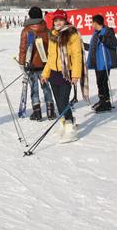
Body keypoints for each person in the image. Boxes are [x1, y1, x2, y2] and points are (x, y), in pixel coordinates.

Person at [41, 9, 85, 143]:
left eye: (61, 20)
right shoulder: (52, 35)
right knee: (58, 101)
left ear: (65, 20)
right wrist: (45, 73)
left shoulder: (72, 34)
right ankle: (63, 122)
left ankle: (70, 127)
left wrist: (76, 74)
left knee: (63, 101)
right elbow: (50, 57)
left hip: (67, 73)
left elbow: (77, 55)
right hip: (54, 73)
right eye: (56, 20)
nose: (58, 22)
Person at [18, 6, 55, 121]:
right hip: (45, 64)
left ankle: (37, 112)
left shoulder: (26, 30)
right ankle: (50, 111)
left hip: (31, 65)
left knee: (34, 88)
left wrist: (21, 63)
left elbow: (23, 49)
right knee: (46, 86)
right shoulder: (47, 30)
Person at [86, 14, 117, 113]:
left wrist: (104, 39)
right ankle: (102, 100)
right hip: (97, 62)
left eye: (92, 22)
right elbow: (92, 47)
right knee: (99, 82)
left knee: (103, 82)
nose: (91, 24)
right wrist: (82, 45)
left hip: (104, 62)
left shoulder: (108, 31)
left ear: (96, 23)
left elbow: (115, 43)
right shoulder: (95, 33)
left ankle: (106, 103)